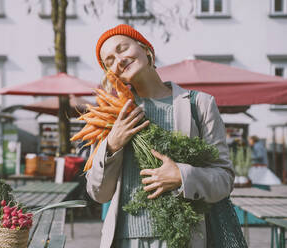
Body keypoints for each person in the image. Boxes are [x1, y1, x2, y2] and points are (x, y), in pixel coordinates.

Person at [86, 24, 234, 248]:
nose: (119, 59)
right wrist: (112, 145)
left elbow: (224, 178)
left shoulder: (200, 104)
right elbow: (98, 193)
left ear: (146, 49)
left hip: (182, 237)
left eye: (122, 49)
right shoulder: (113, 116)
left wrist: (182, 176)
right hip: (125, 240)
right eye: (110, 61)